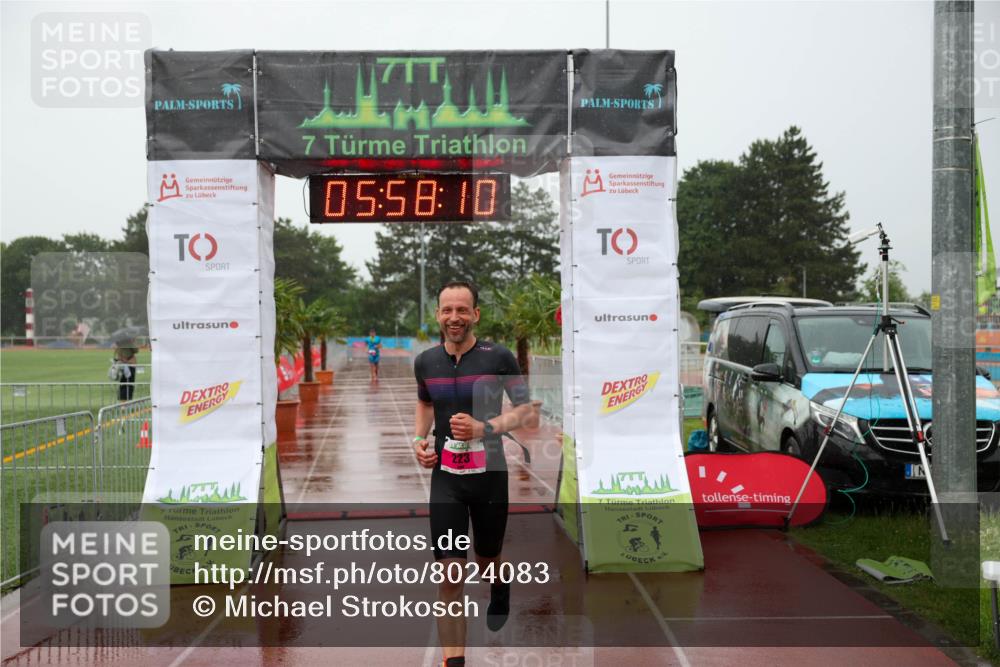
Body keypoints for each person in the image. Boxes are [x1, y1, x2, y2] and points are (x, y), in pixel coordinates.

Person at [412, 281, 535, 667]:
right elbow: (425, 403)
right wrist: (418, 439)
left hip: (489, 476)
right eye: (447, 310)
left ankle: (499, 584)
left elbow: (527, 411)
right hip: (447, 479)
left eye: (462, 310)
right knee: (450, 573)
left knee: (486, 558)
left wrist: (486, 428)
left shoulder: (497, 357)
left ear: (475, 315)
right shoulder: (426, 361)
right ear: (437, 314)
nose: (454, 318)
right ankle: (455, 662)